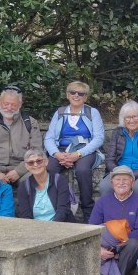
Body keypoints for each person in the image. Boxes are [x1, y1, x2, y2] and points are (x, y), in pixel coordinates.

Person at [44, 81, 105, 221]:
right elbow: (49, 138)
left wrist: (77, 155)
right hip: (61, 150)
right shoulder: (59, 113)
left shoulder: (92, 113)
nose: (76, 95)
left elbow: (98, 138)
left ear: (85, 97)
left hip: (85, 150)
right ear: (67, 95)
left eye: (81, 93)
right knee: (50, 168)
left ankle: (88, 210)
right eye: (73, 92)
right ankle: (56, 206)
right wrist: (57, 154)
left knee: (83, 170)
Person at [99, 100, 138, 202]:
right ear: (123, 119)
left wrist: (132, 175)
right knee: (105, 186)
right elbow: (109, 160)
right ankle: (110, 216)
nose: (132, 120)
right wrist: (120, 173)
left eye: (135, 116)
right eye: (128, 117)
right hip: (119, 172)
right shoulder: (117, 133)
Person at [16, 149, 74, 222]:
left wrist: (51, 229)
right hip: (35, 229)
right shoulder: (24, 186)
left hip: (60, 226)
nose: (35, 165)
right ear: (27, 166)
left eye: (39, 161)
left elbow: (63, 210)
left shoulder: (59, 180)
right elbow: (25, 214)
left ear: (46, 162)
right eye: (31, 163)